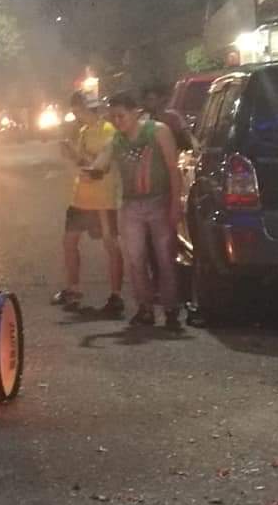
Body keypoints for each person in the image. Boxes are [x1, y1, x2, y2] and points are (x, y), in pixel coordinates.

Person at [91, 93, 182, 330]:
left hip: (159, 202)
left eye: (121, 116)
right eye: (113, 117)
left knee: (165, 258)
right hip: (131, 205)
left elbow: (174, 170)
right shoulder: (116, 141)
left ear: (136, 113)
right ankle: (145, 308)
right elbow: (101, 161)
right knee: (135, 259)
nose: (117, 121)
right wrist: (90, 168)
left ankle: (171, 309)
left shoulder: (157, 132)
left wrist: (175, 205)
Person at [52, 93, 124, 316]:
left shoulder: (108, 132)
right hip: (81, 198)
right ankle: (73, 289)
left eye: (77, 111)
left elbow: (97, 169)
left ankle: (116, 295)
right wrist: (73, 154)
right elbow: (84, 164)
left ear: (87, 109)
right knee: (69, 242)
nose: (75, 115)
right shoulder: (84, 132)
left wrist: (74, 157)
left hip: (102, 198)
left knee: (111, 245)